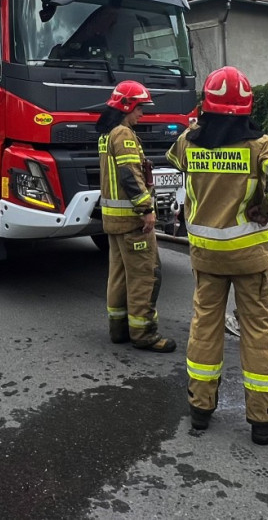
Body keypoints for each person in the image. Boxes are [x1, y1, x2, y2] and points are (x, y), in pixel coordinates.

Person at [166, 66, 268, 445]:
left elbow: (177, 164)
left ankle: (200, 408)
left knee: (205, 326)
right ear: (247, 107)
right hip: (247, 255)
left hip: (206, 255)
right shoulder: (260, 146)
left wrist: (197, 125)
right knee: (259, 330)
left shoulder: (188, 143)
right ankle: (265, 420)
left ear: (206, 105)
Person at [96, 80, 175, 353]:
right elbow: (130, 174)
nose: (143, 114)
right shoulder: (124, 135)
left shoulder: (107, 135)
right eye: (140, 108)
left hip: (113, 222)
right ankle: (144, 334)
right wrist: (147, 210)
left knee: (119, 275)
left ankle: (119, 329)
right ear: (127, 106)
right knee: (144, 275)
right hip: (132, 222)